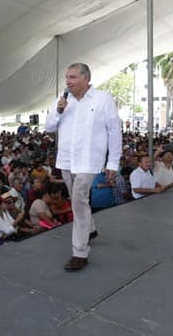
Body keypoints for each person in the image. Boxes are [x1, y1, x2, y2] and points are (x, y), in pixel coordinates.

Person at [45, 63, 122, 272]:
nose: (67, 81)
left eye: (72, 77)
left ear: (86, 78)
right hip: (67, 159)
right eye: (66, 78)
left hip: (90, 159)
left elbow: (114, 131)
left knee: (78, 200)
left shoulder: (103, 98)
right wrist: (59, 111)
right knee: (76, 199)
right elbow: (49, 128)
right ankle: (91, 228)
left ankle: (79, 252)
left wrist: (113, 162)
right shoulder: (62, 100)